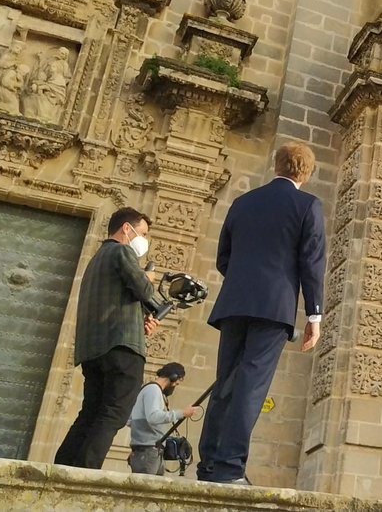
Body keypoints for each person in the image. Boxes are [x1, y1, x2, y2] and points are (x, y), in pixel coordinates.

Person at [196, 141, 327, 485]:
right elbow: (311, 264)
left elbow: (223, 257)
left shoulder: (243, 202)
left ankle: (208, 464)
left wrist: (243, 283)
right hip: (274, 307)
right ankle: (230, 468)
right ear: (306, 172)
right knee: (251, 387)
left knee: (226, 382)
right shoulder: (307, 205)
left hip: (234, 304)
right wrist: (314, 316)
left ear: (277, 166)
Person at [54, 207, 159, 469]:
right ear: (127, 228)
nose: (143, 239)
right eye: (142, 233)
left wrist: (140, 318)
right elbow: (143, 289)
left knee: (90, 413)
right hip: (122, 347)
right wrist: (148, 277)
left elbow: (116, 299)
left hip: (94, 349)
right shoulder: (121, 251)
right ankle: (85, 472)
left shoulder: (96, 259)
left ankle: (63, 466)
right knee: (114, 413)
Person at [127, 362, 197, 475]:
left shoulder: (151, 390)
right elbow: (153, 417)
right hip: (148, 451)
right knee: (146, 490)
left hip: (150, 450)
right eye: (177, 383)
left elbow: (130, 420)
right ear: (173, 377)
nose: (175, 386)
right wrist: (182, 413)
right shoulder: (153, 390)